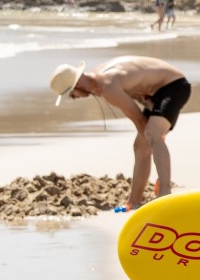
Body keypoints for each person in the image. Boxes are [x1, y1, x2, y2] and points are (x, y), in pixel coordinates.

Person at [50, 55, 190, 210]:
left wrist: (156, 137)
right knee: (140, 146)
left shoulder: (107, 87)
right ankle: (134, 201)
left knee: (151, 133)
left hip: (174, 86)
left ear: (78, 83)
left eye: (71, 94)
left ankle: (165, 191)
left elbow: (139, 120)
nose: (74, 98)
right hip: (154, 93)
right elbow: (137, 86)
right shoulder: (98, 77)